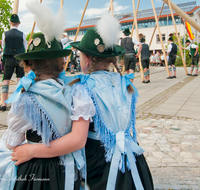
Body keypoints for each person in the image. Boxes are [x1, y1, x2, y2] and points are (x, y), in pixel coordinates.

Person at [12, 13, 154, 190]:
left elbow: (78, 139)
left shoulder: (83, 88)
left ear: (86, 59)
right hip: (133, 158)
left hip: (100, 163)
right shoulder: (125, 83)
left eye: (79, 56)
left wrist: (32, 150)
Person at [0, 14, 27, 111]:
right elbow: (25, 47)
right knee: (20, 80)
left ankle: (3, 104)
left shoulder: (5, 34)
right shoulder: (22, 34)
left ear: (10, 22)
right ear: (18, 23)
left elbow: (3, 47)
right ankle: (18, 103)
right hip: (20, 58)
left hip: (9, 58)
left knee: (6, 80)